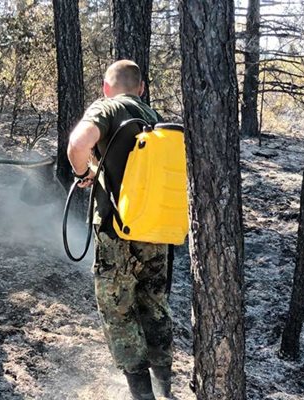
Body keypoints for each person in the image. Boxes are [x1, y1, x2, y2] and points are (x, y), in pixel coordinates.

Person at [66, 60, 173, 400]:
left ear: (106, 87)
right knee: (154, 304)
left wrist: (82, 171)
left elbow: (77, 144)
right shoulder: (156, 120)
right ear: (141, 88)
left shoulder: (108, 107)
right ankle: (165, 389)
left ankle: (143, 396)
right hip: (157, 230)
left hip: (117, 230)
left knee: (119, 311)